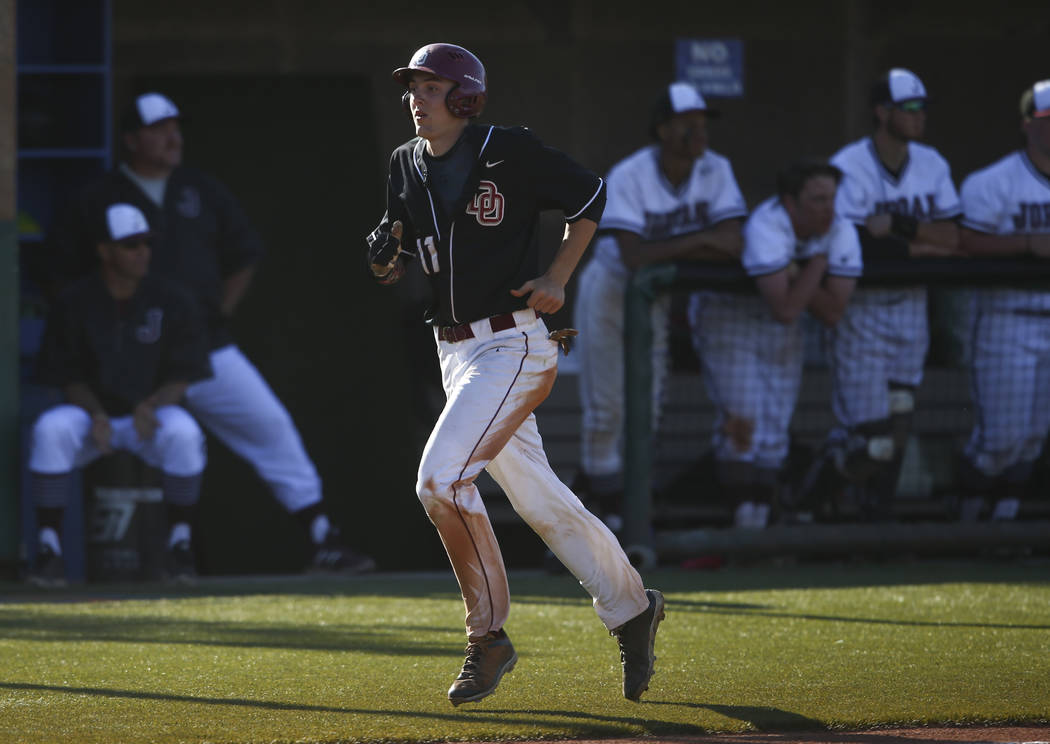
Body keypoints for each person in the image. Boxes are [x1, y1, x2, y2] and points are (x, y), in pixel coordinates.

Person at [366, 42, 665, 707]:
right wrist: (385, 260)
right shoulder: (405, 163)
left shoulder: (509, 149)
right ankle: (633, 607)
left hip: (514, 343)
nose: (416, 98)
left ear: (465, 97)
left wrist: (559, 275)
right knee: (540, 500)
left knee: (441, 481)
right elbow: (398, 255)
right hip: (454, 353)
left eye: (431, 87)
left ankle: (488, 637)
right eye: (412, 87)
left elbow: (591, 195)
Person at [46, 92, 374, 573]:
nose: (172, 137)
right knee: (66, 434)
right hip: (124, 360)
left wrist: (218, 312)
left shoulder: (200, 188)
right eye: (158, 129)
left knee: (270, 426)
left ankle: (321, 535)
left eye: (175, 127)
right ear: (132, 139)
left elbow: (245, 253)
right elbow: (61, 278)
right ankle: (52, 550)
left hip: (201, 346)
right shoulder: (98, 197)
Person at [573, 81, 747, 533]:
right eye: (688, 123)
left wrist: (675, 247)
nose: (699, 130)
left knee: (646, 408)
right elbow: (633, 256)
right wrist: (702, 239)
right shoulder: (630, 174)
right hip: (611, 289)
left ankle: (629, 507)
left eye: (703, 122)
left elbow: (734, 243)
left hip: (652, 296)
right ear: (663, 129)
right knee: (606, 408)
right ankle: (600, 506)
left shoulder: (717, 168)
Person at [27, 203, 211, 586]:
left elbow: (185, 372)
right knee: (50, 429)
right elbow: (66, 374)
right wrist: (96, 413)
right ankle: (48, 547)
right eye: (130, 245)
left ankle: (180, 545)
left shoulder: (171, 297)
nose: (142, 252)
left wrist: (153, 404)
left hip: (150, 416)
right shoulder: (75, 300)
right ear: (104, 250)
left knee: (185, 433)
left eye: (146, 243)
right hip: (93, 418)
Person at [813, 68, 961, 520]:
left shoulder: (932, 163)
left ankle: (875, 518)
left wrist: (899, 227)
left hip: (911, 307)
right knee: (871, 439)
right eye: (909, 108)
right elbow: (852, 242)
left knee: (898, 426)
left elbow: (954, 236)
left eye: (922, 108)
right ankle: (812, 493)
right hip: (862, 309)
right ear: (882, 112)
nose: (919, 116)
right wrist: (922, 245)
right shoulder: (848, 165)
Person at [688, 161, 861, 528]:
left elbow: (833, 312)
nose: (828, 209)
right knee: (743, 422)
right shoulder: (767, 225)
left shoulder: (841, 228)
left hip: (775, 320)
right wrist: (818, 264)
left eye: (832, 198)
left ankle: (762, 522)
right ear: (790, 202)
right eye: (817, 199)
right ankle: (741, 522)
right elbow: (786, 308)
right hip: (729, 314)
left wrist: (801, 273)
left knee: (774, 428)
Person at [956, 79, 1050, 521]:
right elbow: (965, 241)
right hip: (1007, 319)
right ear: (1026, 124)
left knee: (1033, 438)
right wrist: (1028, 243)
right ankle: (966, 518)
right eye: (1046, 119)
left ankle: (1002, 526)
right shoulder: (993, 181)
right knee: (1001, 439)